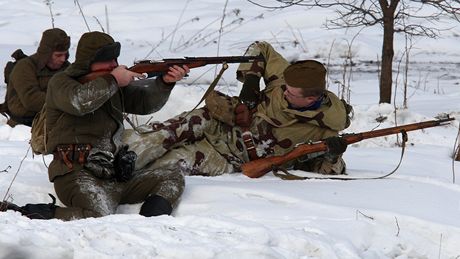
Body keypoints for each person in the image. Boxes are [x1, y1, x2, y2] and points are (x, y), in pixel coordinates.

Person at [5, 31, 189, 220]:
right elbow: (79, 101)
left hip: (114, 174)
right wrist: (113, 80)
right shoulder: (62, 83)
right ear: (89, 60)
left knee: (172, 176)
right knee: (98, 215)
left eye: (115, 59)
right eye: (107, 60)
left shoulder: (109, 84)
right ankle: (29, 212)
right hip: (76, 174)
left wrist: (165, 83)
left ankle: (152, 220)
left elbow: (145, 103)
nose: (113, 65)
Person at [121, 41, 351, 177]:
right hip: (220, 122)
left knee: (167, 166)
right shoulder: (285, 80)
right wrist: (250, 87)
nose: (282, 93)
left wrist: (333, 155)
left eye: (290, 94)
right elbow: (261, 48)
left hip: (230, 157)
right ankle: (110, 161)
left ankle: (124, 176)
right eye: (284, 88)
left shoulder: (324, 129)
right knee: (161, 135)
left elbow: (326, 172)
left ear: (311, 98)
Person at [3, 28, 70, 127]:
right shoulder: (25, 67)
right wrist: (67, 101)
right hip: (23, 126)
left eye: (65, 54)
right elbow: (31, 99)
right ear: (46, 53)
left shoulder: (66, 67)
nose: (63, 59)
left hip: (55, 121)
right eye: (58, 55)